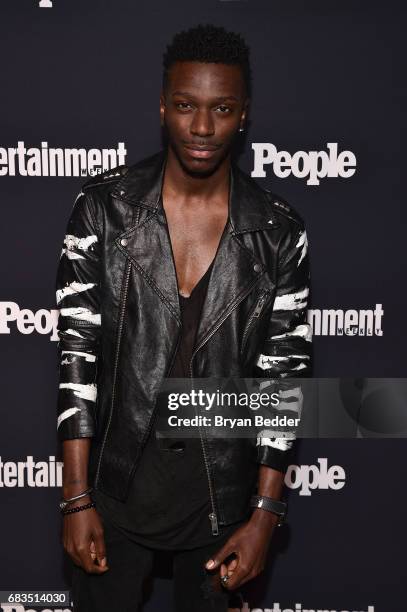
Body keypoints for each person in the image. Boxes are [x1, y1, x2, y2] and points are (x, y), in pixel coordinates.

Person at [55, 24, 312, 612]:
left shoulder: (277, 233)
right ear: (162, 107)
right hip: (115, 490)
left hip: (222, 499)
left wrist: (265, 516)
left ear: (244, 114)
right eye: (185, 106)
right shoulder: (103, 212)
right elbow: (76, 363)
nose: (202, 128)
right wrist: (76, 498)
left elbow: (283, 382)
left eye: (221, 108)